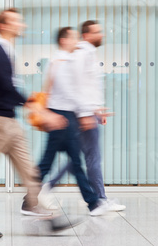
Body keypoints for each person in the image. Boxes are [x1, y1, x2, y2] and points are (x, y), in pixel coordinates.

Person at [0, 8, 68, 238]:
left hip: (9, 121)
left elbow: (10, 89)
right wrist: (38, 108)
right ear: (4, 26)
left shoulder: (9, 50)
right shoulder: (0, 51)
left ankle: (47, 216)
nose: (22, 24)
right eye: (16, 21)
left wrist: (32, 104)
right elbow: (6, 88)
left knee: (29, 172)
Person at [41, 21, 125, 213]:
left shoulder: (87, 53)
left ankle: (51, 188)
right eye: (97, 32)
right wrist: (87, 113)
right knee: (89, 158)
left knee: (77, 159)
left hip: (86, 112)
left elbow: (89, 85)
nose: (101, 34)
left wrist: (96, 109)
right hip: (82, 114)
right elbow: (77, 85)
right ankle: (98, 200)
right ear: (87, 35)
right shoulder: (83, 53)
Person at [36, 27, 104, 216]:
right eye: (73, 37)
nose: (77, 41)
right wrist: (86, 113)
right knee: (50, 163)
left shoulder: (61, 59)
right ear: (64, 40)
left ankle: (93, 203)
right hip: (61, 117)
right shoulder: (62, 60)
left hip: (64, 115)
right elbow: (70, 91)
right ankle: (29, 199)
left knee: (73, 161)